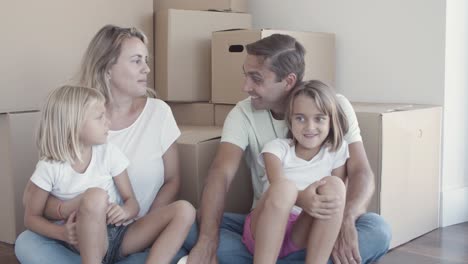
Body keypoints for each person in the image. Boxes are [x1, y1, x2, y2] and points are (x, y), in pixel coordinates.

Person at [183, 34, 391, 264]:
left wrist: (347, 219)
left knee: (378, 230)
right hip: (266, 225)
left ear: (289, 81)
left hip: (316, 228)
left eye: (256, 78)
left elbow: (361, 170)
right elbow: (220, 174)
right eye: (246, 75)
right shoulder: (243, 114)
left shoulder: (335, 104)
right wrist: (207, 241)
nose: (245, 86)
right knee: (193, 224)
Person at [16, 25, 193, 264]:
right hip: (81, 241)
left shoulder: (159, 113)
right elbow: (38, 202)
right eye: (136, 61)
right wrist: (71, 218)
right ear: (108, 68)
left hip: (133, 234)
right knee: (27, 243)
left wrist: (142, 221)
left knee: (186, 226)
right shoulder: (76, 118)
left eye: (146, 60)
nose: (147, 69)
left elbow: (173, 181)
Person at [244, 80, 348, 263]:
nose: (309, 127)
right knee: (285, 188)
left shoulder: (336, 151)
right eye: (300, 118)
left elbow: (337, 205)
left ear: (331, 121)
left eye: (319, 118)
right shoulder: (276, 149)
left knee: (336, 187)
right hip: (264, 229)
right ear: (290, 121)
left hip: (302, 233)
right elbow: (278, 190)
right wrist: (305, 199)